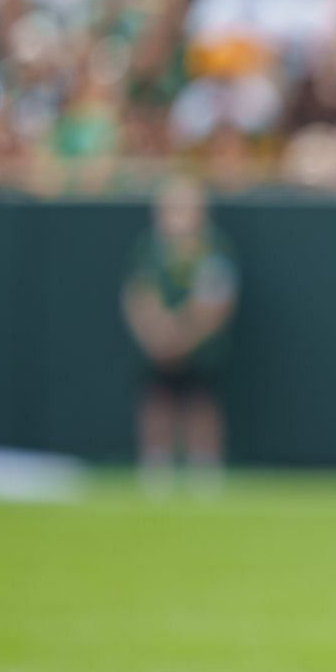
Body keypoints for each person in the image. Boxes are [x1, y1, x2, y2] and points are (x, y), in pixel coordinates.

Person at [121, 176, 239, 491]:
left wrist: (183, 336)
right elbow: (139, 295)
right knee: (157, 401)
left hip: (202, 349)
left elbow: (215, 302)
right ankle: (156, 467)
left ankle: (204, 469)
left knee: (201, 402)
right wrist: (158, 335)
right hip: (156, 347)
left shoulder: (214, 248)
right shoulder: (149, 247)